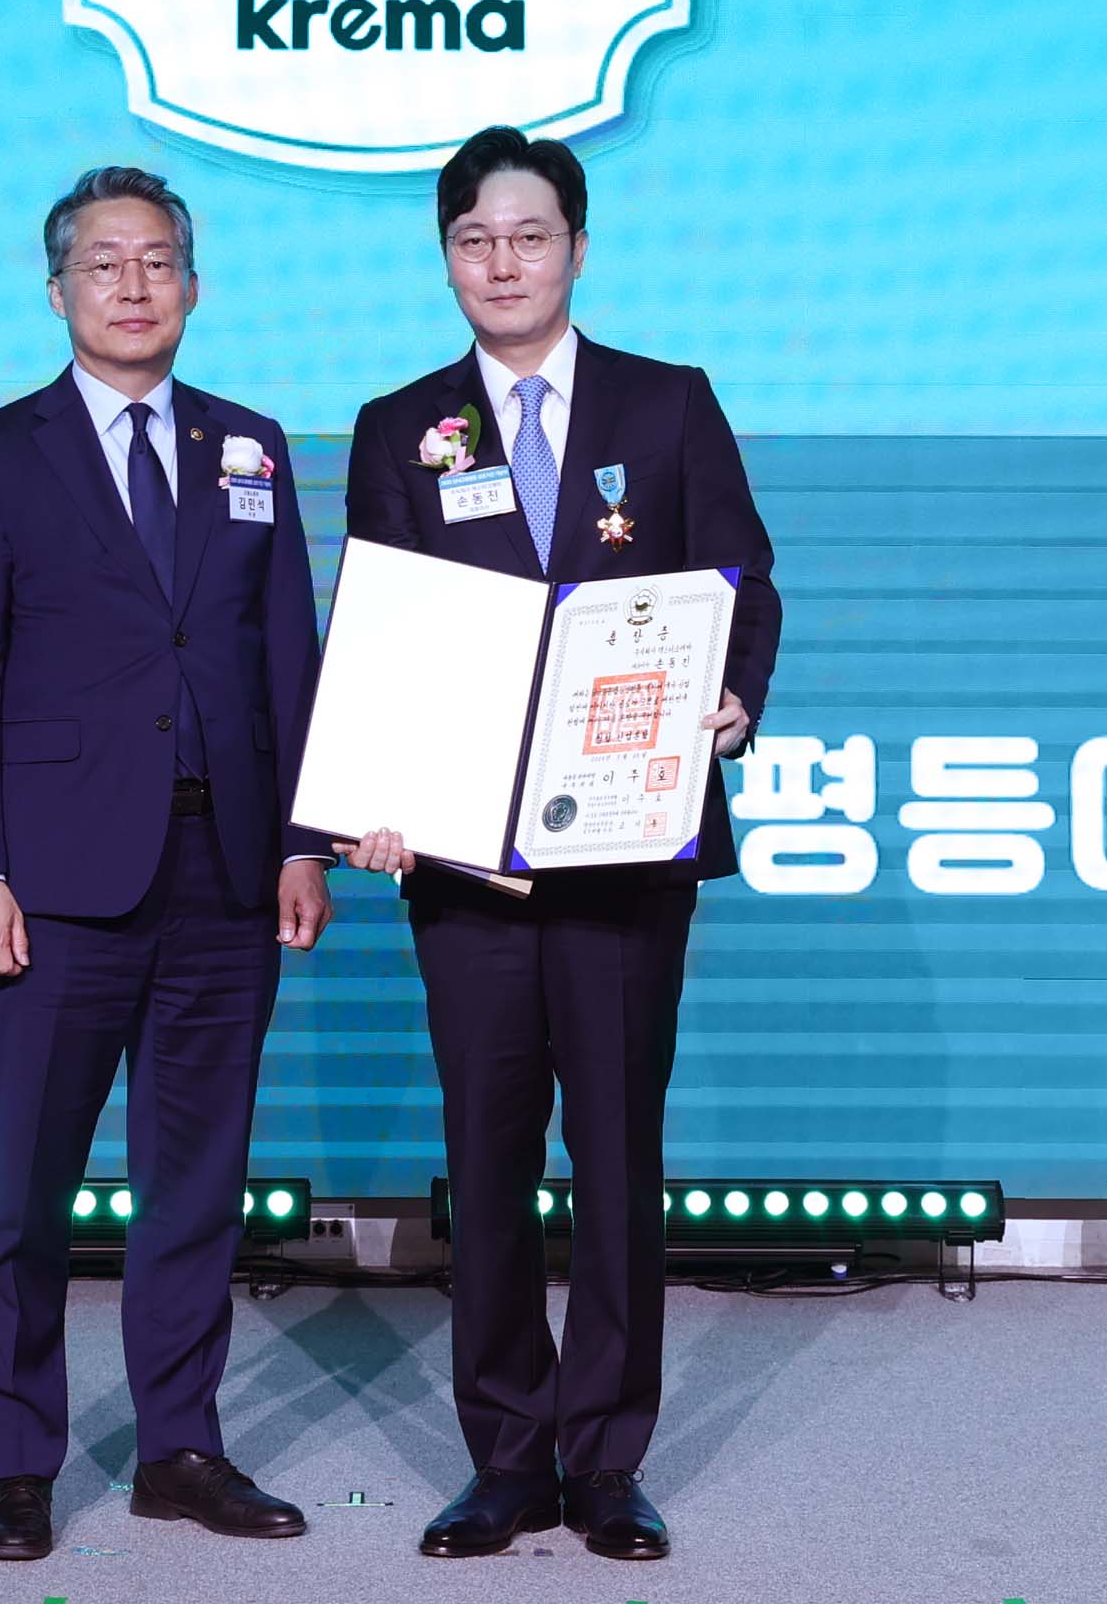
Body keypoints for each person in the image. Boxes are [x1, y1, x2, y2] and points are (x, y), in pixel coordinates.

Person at [341, 126, 778, 1564]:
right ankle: (506, 1458)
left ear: (578, 249)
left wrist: (731, 697)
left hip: (627, 848)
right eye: (475, 239)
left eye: (530, 236)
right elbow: (383, 639)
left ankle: (605, 1459)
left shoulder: (667, 403)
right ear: (445, 259)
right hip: (466, 867)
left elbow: (743, 579)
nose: (504, 262)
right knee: (485, 1157)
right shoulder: (401, 428)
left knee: (616, 1152)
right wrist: (375, 793)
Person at [0, 165, 335, 1563]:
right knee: (26, 1190)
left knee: (197, 1185)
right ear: (58, 293)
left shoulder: (249, 446)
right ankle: (18, 1463)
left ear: (193, 287)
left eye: (157, 261)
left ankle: (179, 1448)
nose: (133, 285)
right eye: (105, 264)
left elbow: (287, 658)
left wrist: (302, 841)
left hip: (227, 874)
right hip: (54, 884)